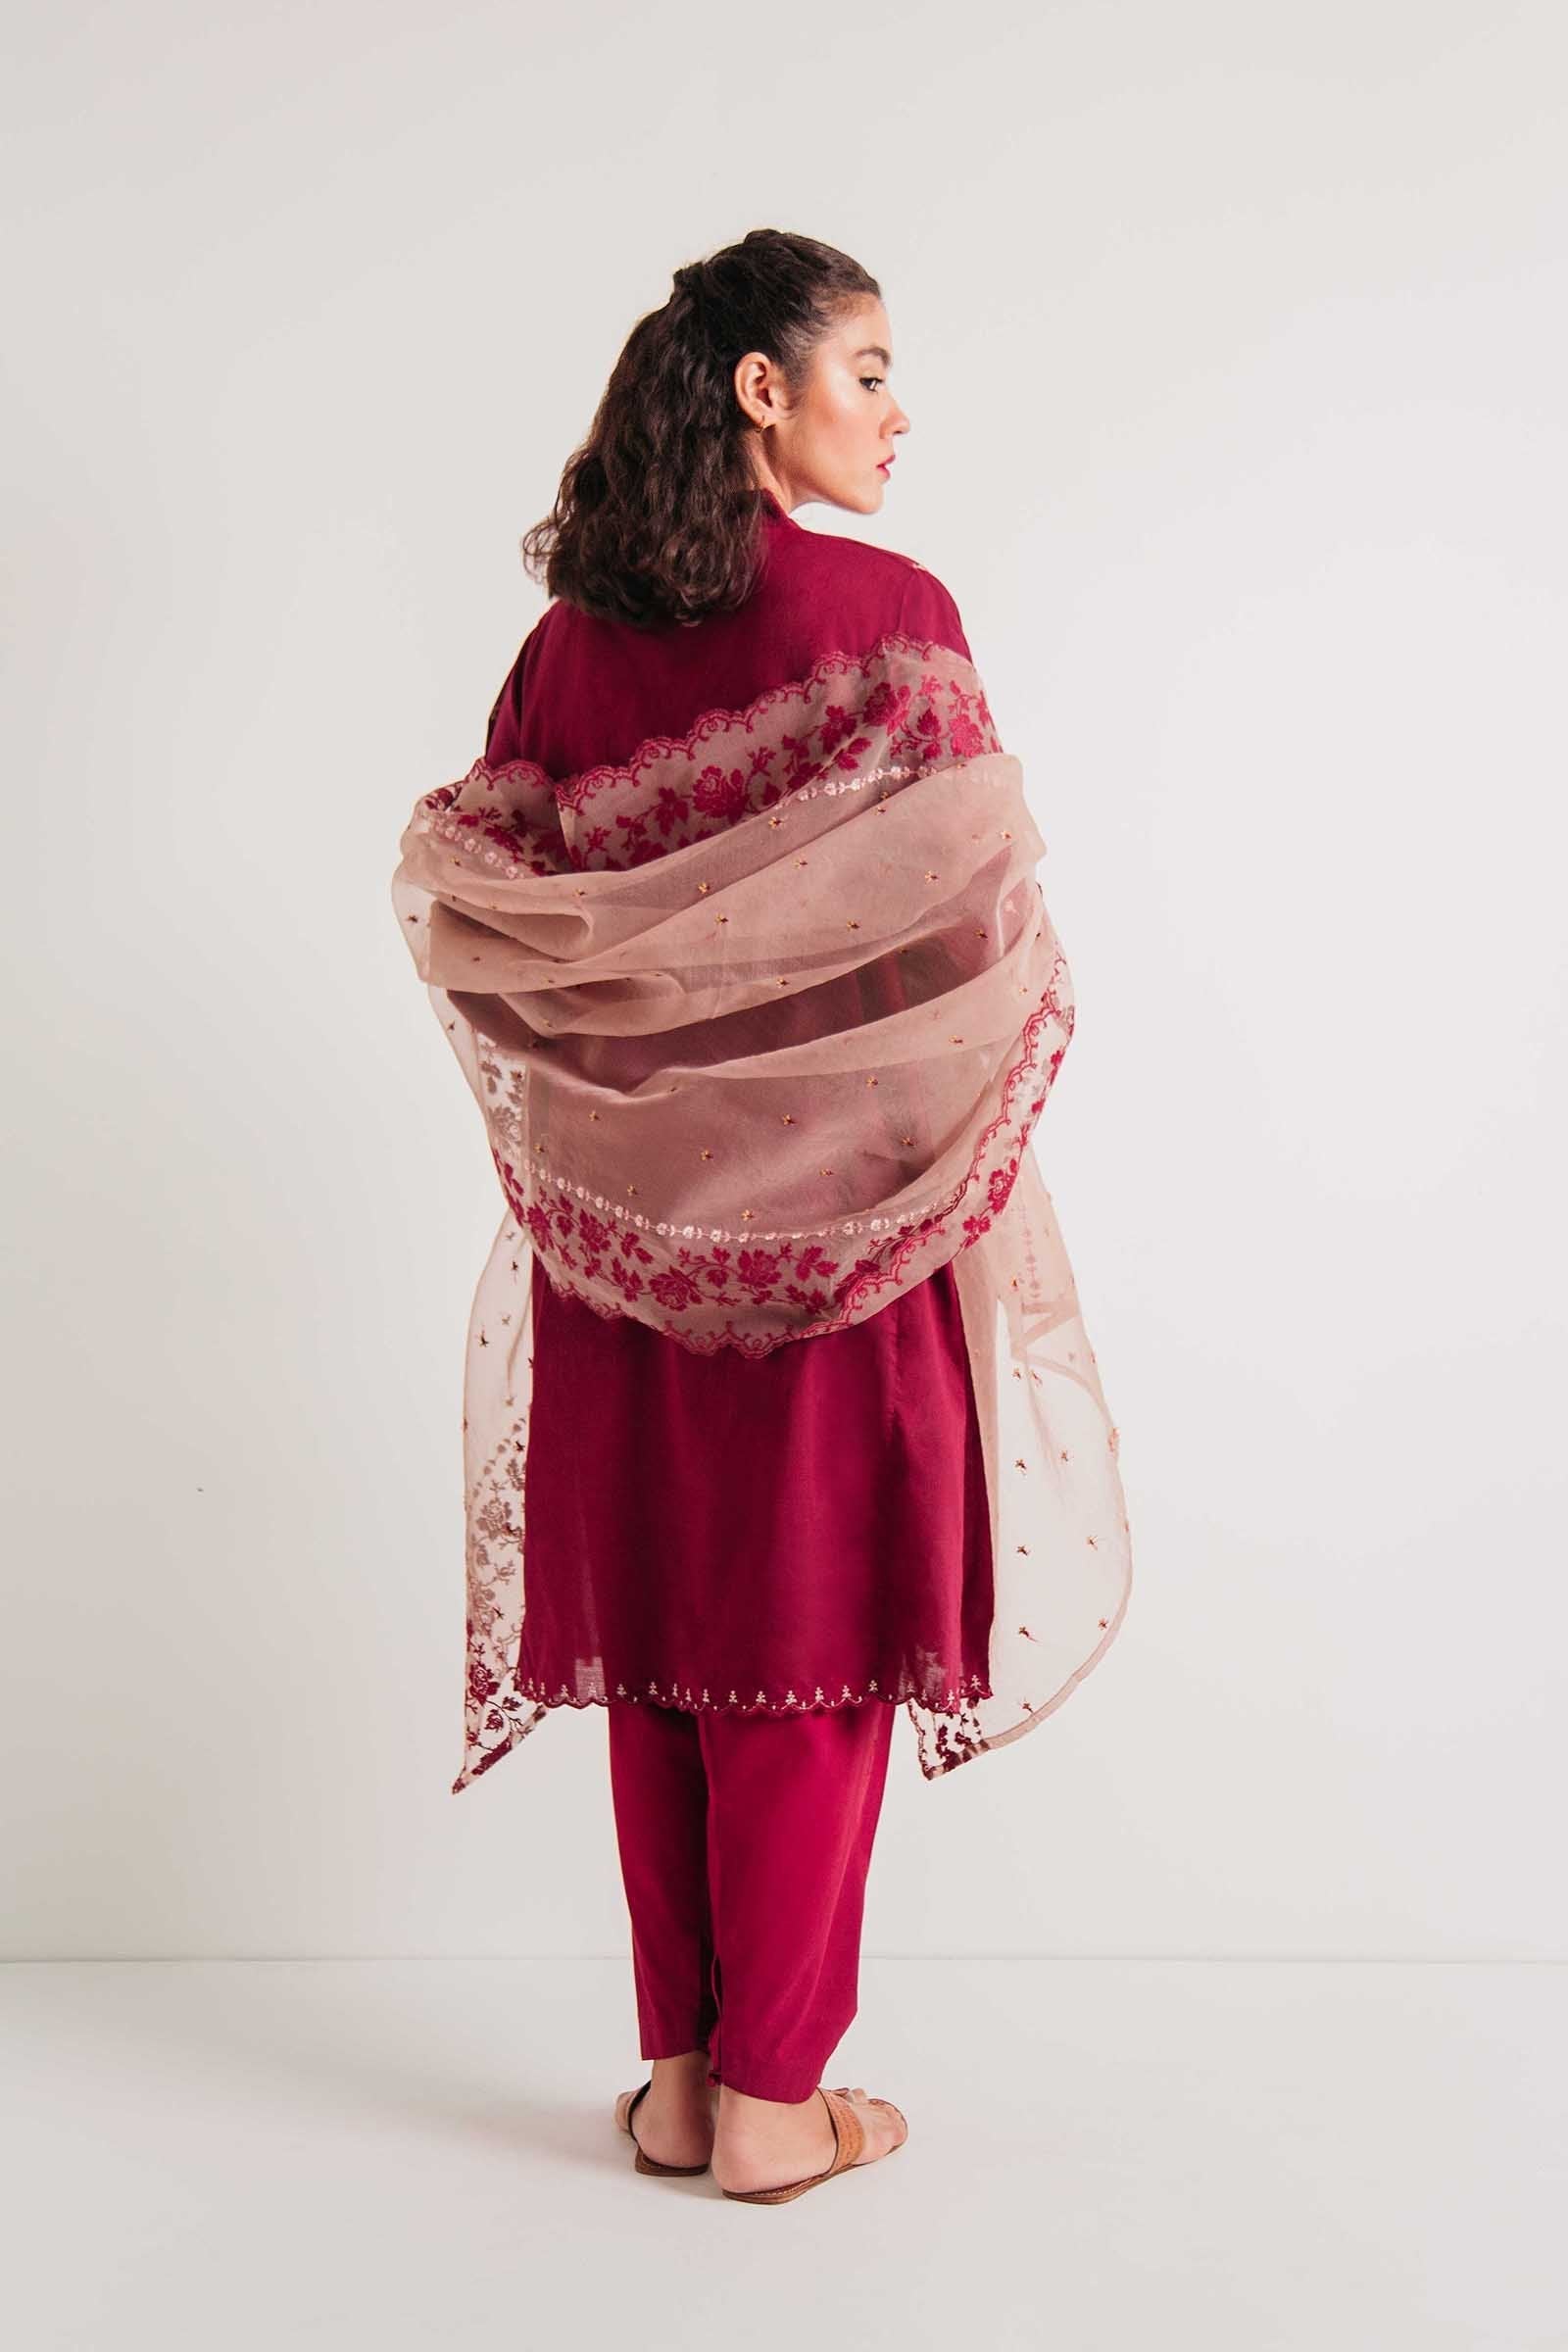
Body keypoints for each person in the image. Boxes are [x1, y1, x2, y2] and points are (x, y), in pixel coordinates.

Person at [399, 227, 1132, 2204]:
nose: (896, 412)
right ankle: (777, 2109)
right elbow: (974, 951)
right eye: (868, 370)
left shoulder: (566, 652)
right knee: (809, 1646)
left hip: (619, 1250)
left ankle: (676, 2080)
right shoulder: (889, 623)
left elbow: (499, 936)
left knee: (662, 1638)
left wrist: (637, 1137)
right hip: (843, 1237)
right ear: (760, 388)